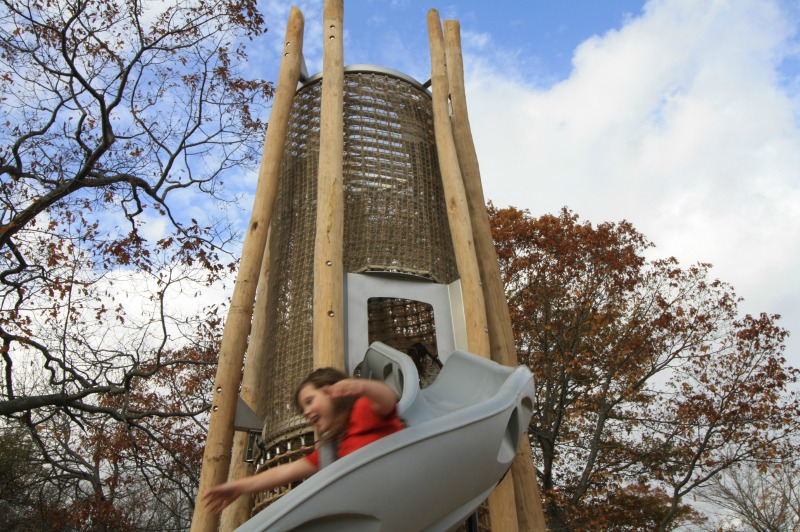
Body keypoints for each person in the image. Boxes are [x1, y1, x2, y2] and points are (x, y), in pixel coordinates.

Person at [203, 367, 405, 514]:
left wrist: (360, 386)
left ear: (331, 393)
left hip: (405, 483)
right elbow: (286, 471)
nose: (307, 412)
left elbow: (387, 399)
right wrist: (240, 487)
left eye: (310, 401)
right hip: (382, 504)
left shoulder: (362, 411)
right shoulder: (335, 448)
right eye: (303, 410)